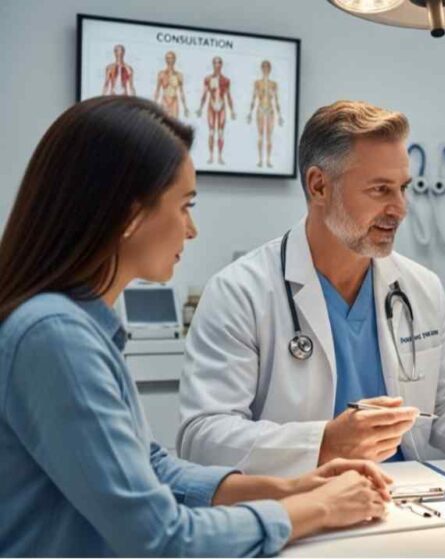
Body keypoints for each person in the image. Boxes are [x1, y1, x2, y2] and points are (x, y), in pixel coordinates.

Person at [0, 96, 393, 556]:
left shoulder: (79, 327)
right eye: (185, 205)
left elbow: (153, 467)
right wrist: (317, 509)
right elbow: (163, 540)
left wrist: (292, 488)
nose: (192, 230)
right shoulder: (55, 337)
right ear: (130, 214)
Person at [178, 100, 445, 477]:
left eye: (402, 188)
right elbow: (203, 437)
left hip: (405, 494)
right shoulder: (241, 293)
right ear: (319, 186)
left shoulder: (421, 288)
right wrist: (324, 443)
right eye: (380, 190)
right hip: (299, 498)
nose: (400, 208)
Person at [196, 55, 236, 164]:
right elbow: (205, 94)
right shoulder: (208, 79)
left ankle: (220, 157)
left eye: (219, 63)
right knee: (211, 132)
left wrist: (232, 110)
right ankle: (211, 156)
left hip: (222, 105)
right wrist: (200, 108)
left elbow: (228, 95)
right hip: (211, 105)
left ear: (221, 65)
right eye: (215, 62)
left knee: (221, 132)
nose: (217, 65)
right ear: (212, 64)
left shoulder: (226, 80)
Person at [247, 59, 284, 168]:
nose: (265, 69)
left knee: (269, 136)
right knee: (260, 135)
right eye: (264, 67)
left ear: (270, 69)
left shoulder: (273, 84)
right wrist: (250, 113)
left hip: (270, 110)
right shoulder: (257, 83)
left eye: (267, 67)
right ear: (261, 69)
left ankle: (268, 160)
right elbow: (254, 98)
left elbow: (276, 100)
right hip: (260, 109)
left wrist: (279, 115)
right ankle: (260, 160)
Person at [154, 50, 188, 119]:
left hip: (174, 101)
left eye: (171, 58)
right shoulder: (161, 74)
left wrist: (185, 107)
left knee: (174, 121)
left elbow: (181, 92)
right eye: (167, 58)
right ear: (165, 60)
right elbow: (157, 90)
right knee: (163, 121)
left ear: (174, 59)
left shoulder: (179, 75)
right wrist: (154, 105)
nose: (169, 60)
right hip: (165, 100)